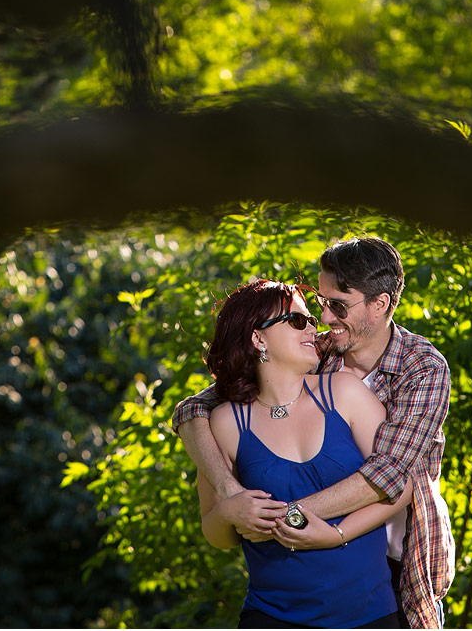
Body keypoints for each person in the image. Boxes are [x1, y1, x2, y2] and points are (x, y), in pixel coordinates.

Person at [176, 238, 454, 629]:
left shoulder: (422, 368)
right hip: (290, 591)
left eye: (337, 305)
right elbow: (193, 409)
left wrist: (285, 519)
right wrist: (230, 495)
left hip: (402, 561)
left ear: (381, 304)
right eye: (320, 304)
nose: (323, 319)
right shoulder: (319, 352)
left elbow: (389, 476)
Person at [198, 278, 410, 628]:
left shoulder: (343, 393)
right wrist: (229, 513)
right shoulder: (225, 423)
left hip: (372, 615)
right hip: (272, 618)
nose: (314, 327)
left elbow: (401, 487)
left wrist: (336, 534)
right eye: (298, 320)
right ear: (258, 338)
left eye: (311, 319)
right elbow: (215, 533)